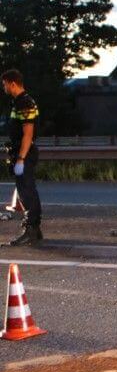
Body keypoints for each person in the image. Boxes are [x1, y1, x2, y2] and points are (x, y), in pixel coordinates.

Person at [2, 69, 43, 245]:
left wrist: (20, 159)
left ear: (12, 83)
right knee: (25, 192)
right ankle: (35, 230)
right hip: (21, 152)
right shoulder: (18, 101)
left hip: (24, 153)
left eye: (4, 84)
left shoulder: (24, 102)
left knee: (27, 193)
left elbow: (28, 134)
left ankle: (31, 230)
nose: (3, 88)